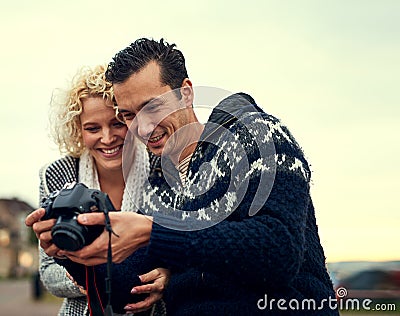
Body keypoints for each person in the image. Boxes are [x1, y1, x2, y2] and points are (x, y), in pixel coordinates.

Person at [28, 38, 339, 315]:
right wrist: (72, 249)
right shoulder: (158, 183)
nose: (143, 127)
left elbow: (279, 250)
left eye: (152, 107)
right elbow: (127, 292)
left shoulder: (256, 136)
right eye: (129, 114)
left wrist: (156, 233)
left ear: (186, 93)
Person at [26, 64, 168, 315]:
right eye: (93, 128)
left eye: (117, 124)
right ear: (77, 130)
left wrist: (167, 276)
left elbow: (182, 247)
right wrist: (95, 279)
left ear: (131, 118)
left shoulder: (163, 167)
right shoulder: (57, 175)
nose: (107, 137)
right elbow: (48, 272)